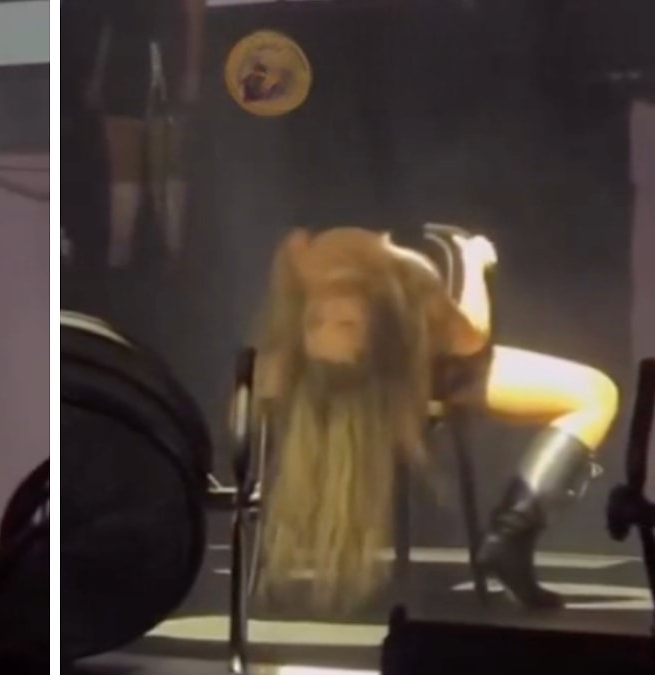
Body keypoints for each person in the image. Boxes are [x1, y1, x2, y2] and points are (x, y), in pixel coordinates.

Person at [252, 226, 619, 612]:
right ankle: (511, 534)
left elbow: (273, 367)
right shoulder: (411, 284)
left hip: (420, 366)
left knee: (594, 392)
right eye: (345, 325)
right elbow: (471, 338)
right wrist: (472, 262)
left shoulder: (306, 268)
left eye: (317, 321)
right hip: (442, 373)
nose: (330, 313)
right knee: (595, 394)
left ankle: (510, 537)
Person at [84, 0, 204, 269]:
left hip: (165, 58)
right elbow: (105, 22)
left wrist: (191, 74)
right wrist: (98, 74)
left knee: (168, 167)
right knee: (123, 173)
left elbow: (194, 12)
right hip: (121, 62)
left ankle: (175, 256)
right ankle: (120, 255)